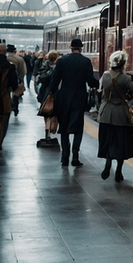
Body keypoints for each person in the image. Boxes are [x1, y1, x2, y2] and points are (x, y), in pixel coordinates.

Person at [48, 38, 98, 167]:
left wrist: (52, 94)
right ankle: (75, 156)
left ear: (71, 48)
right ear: (81, 48)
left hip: (64, 97)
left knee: (64, 127)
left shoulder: (62, 61)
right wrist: (97, 84)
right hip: (79, 97)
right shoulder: (85, 61)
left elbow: (55, 79)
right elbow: (91, 80)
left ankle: (65, 157)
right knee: (78, 127)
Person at [97, 51, 133, 182]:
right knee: (121, 144)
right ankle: (118, 172)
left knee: (108, 141)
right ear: (123, 64)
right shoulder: (125, 78)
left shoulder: (105, 76)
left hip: (105, 113)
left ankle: (107, 165)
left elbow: (99, 92)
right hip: (120, 115)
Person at [35, 51, 60, 148]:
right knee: (53, 114)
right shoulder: (58, 68)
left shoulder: (45, 66)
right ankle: (51, 131)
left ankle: (47, 135)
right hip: (54, 93)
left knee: (47, 114)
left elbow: (40, 78)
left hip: (45, 93)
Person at [0, 43, 18, 152]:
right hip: (4, 96)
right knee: (4, 120)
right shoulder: (10, 66)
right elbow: (14, 84)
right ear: (5, 51)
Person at [6, 45, 26, 117]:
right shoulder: (20, 59)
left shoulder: (4, 58)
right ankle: (15, 108)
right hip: (16, 79)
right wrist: (21, 80)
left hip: (4, 81)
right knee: (15, 95)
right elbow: (23, 72)